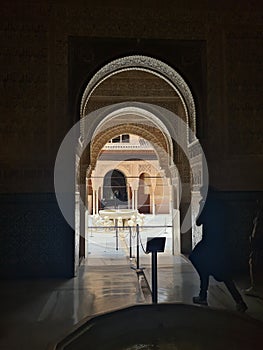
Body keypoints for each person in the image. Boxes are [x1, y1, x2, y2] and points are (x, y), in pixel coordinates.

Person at [189, 187, 248, 312]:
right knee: (224, 274)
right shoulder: (222, 206)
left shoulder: (206, 205)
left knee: (197, 260)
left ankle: (203, 295)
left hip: (208, 243)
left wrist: (201, 207)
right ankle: (239, 301)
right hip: (221, 243)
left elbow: (198, 222)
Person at [244, 200, 263, 297]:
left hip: (258, 242)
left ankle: (256, 287)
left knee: (254, 262)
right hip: (258, 241)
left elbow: (257, 228)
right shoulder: (259, 213)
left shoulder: (260, 214)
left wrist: (253, 239)